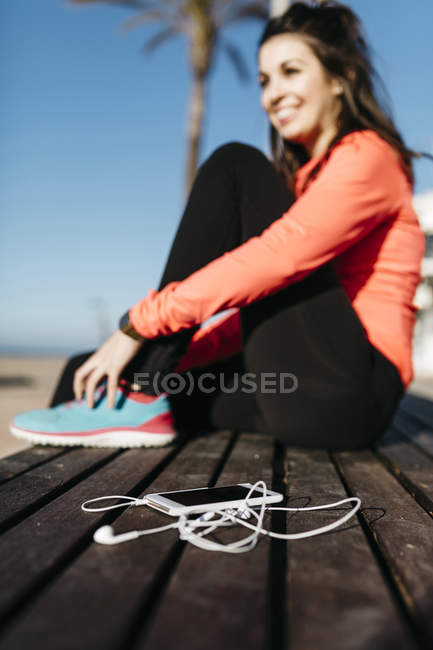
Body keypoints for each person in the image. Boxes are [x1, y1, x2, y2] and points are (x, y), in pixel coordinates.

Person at [11, 1, 425, 451]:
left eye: (291, 71)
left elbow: (278, 258)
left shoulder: (369, 157)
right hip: (300, 391)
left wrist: (140, 326)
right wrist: (166, 358)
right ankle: (143, 388)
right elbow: (261, 307)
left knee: (236, 165)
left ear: (342, 75)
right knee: (86, 375)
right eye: (265, 80)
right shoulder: (305, 183)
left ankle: (145, 387)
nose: (272, 94)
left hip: (354, 390)